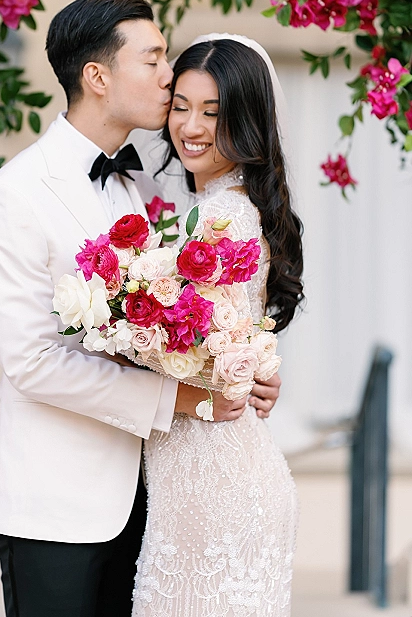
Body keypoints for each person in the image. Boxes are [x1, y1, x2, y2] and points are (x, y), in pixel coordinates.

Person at [0, 0, 282, 617]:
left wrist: (247, 361)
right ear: (99, 78)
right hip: (56, 507)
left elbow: (201, 303)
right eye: (154, 58)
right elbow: (33, 363)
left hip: (150, 502)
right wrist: (188, 399)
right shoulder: (15, 197)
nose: (169, 74)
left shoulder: (140, 184)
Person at [132, 35, 304, 617]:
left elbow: (182, 345)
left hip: (215, 484)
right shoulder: (211, 209)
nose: (192, 126)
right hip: (209, 471)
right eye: (181, 106)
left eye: (214, 112)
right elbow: (227, 341)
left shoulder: (221, 217)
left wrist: (113, 326)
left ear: (247, 121)